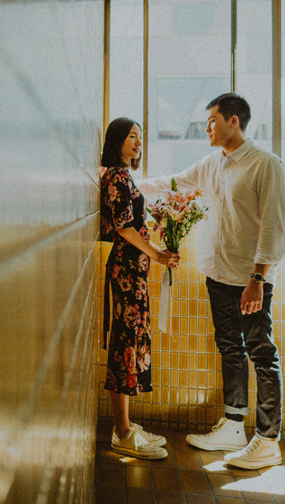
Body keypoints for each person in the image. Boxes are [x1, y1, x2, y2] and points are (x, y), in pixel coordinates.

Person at [137, 93, 285, 470]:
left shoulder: (265, 165)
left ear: (233, 121)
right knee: (229, 347)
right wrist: (124, 183)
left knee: (261, 354)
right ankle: (234, 425)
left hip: (249, 278)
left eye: (212, 121)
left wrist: (257, 278)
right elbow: (171, 183)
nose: (207, 128)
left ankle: (268, 440)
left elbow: (274, 227)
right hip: (217, 274)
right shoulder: (212, 164)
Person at [100, 117, 181, 460]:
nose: (138, 142)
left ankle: (127, 426)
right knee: (124, 344)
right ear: (117, 140)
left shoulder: (125, 175)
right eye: (132, 136)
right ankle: (121, 432)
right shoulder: (116, 176)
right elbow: (123, 227)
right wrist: (158, 254)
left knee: (131, 342)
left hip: (134, 271)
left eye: (141, 138)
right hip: (126, 269)